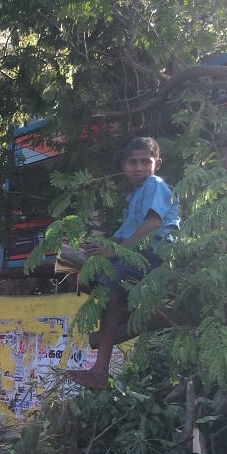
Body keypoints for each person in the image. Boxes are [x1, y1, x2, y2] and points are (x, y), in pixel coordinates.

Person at [65, 137, 180, 390]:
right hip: (137, 253)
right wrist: (96, 247)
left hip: (155, 253)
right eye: (132, 162)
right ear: (124, 165)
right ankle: (124, 311)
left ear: (156, 164)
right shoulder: (133, 197)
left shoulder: (155, 184)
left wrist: (114, 251)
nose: (138, 167)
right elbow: (122, 235)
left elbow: (151, 226)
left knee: (110, 286)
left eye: (145, 162)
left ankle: (99, 371)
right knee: (92, 277)